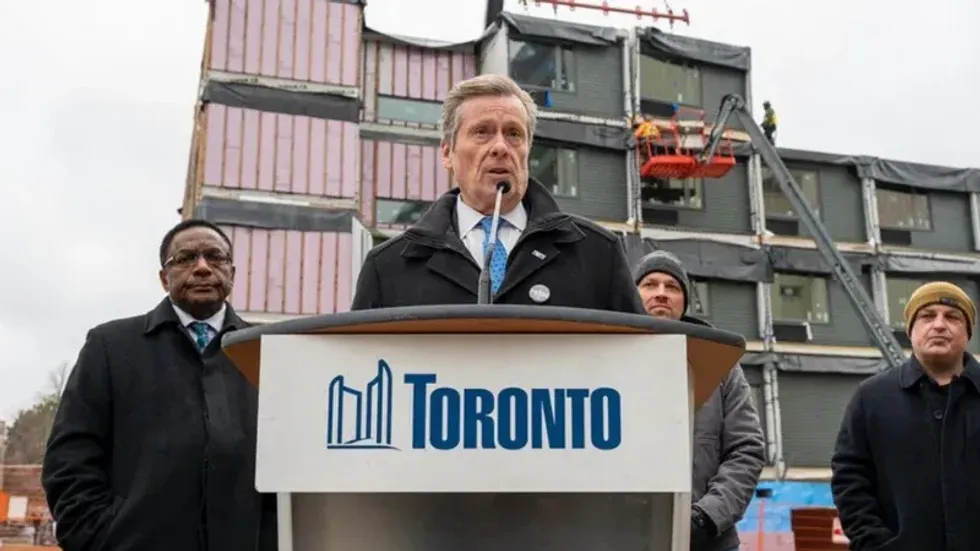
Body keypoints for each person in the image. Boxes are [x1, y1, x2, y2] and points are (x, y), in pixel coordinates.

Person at [42, 219, 277, 551]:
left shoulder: (265, 351)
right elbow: (70, 456)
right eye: (186, 258)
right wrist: (97, 537)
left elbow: (288, 465)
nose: (202, 268)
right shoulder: (111, 347)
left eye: (215, 257)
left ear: (232, 273)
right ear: (164, 278)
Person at [351, 73, 644, 314]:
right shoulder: (389, 267)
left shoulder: (597, 253)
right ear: (447, 153)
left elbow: (639, 355)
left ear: (528, 150)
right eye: (482, 132)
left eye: (514, 134)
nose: (501, 147)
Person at [831, 281, 980, 551]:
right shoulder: (872, 397)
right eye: (927, 316)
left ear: (968, 332)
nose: (939, 325)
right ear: (911, 330)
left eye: (952, 317)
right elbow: (850, 477)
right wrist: (874, 543)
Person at [633, 250, 766, 551]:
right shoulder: (609, 360)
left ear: (684, 302)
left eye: (672, 287)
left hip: (711, 542)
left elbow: (746, 449)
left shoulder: (719, 365)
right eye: (650, 284)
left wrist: (705, 518)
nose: (661, 293)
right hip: (629, 536)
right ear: (633, 294)